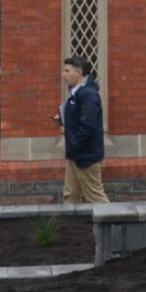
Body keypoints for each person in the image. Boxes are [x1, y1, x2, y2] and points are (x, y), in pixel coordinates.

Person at [55, 55, 109, 203]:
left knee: (95, 197)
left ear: (78, 74)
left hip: (86, 156)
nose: (63, 74)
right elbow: (80, 118)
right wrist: (62, 118)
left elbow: (88, 126)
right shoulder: (77, 94)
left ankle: (116, 225)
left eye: (67, 71)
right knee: (70, 195)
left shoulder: (88, 94)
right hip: (76, 155)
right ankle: (69, 225)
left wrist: (75, 143)